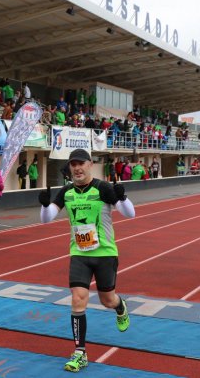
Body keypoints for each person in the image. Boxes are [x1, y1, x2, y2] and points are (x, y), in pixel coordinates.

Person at [37, 149, 135, 372]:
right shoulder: (66, 192)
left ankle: (120, 307)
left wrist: (122, 197)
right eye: (73, 165)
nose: (77, 168)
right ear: (70, 168)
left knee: (107, 300)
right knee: (78, 299)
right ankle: (80, 353)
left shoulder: (103, 188)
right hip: (79, 254)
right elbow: (47, 219)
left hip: (105, 254)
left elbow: (130, 214)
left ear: (91, 164)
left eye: (81, 164)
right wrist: (44, 205)